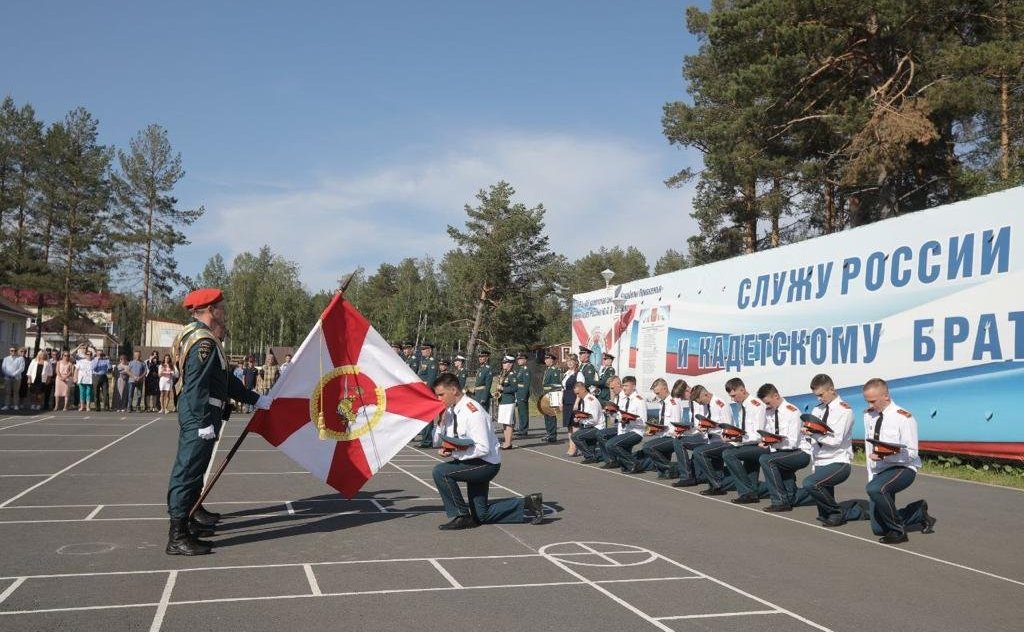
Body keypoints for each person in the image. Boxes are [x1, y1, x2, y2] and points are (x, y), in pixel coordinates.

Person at [165, 288, 270, 556]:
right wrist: (202, 422)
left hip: (203, 412)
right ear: (210, 310)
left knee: (195, 468)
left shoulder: (199, 336)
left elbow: (224, 381)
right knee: (187, 471)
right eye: (221, 307)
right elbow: (197, 386)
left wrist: (254, 398)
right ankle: (177, 534)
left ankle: (190, 516)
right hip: (200, 413)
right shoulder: (204, 342)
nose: (224, 311)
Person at [430, 373, 544, 530]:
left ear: (454, 390)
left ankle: (462, 515)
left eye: (441, 395)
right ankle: (529, 502)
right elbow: (437, 441)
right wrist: (440, 423)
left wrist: (455, 451)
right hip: (470, 462)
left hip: (485, 464)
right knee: (481, 515)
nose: (439, 399)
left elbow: (483, 448)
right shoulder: (449, 412)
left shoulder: (473, 412)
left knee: (441, 471)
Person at [857, 378, 936, 544]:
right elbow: (869, 447)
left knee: (875, 489)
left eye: (873, 401)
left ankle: (898, 532)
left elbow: (912, 454)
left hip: (903, 467)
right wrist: (872, 472)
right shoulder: (868, 416)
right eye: (867, 401)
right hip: (880, 471)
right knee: (878, 529)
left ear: (886, 396)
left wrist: (886, 456)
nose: (870, 405)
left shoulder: (904, 418)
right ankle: (917, 512)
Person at [790, 374, 857, 524]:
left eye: (821, 395)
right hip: (820, 460)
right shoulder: (817, 410)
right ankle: (853, 512)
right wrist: (807, 434)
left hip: (838, 460)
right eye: (816, 396)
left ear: (831, 389)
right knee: (824, 514)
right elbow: (811, 431)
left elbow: (836, 441)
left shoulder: (844, 411)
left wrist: (814, 435)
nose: (819, 399)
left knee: (810, 484)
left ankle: (838, 512)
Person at [755, 383, 809, 512]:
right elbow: (768, 432)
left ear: (776, 396)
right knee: (791, 497)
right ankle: (808, 494)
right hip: (781, 452)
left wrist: (772, 443)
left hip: (799, 452)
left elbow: (793, 443)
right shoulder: (769, 412)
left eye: (768, 403)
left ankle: (779, 501)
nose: (766, 406)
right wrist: (766, 441)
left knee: (766, 460)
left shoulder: (793, 412)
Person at [721, 377, 770, 504]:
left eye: (734, 395)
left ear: (742, 390)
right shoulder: (741, 405)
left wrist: (739, 438)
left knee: (728, 454)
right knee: (748, 470)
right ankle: (753, 491)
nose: (732, 399)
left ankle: (747, 492)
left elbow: (760, 435)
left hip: (762, 446)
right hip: (750, 444)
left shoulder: (756, 405)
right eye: (730, 396)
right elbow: (744, 431)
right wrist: (732, 437)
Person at [691, 383, 737, 495]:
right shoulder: (707, 405)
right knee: (715, 466)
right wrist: (704, 427)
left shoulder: (721, 405)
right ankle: (715, 485)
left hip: (724, 441)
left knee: (699, 452)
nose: (700, 404)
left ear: (706, 394)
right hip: (712, 440)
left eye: (700, 401)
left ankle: (717, 485)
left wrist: (711, 428)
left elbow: (728, 429)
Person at [644, 379, 689, 478]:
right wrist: (654, 431)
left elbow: (676, 426)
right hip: (664, 436)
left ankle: (673, 468)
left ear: (665, 389)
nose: (657, 395)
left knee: (648, 447)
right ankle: (668, 470)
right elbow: (664, 424)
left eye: (658, 393)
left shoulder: (673, 403)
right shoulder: (663, 403)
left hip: (673, 438)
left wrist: (664, 432)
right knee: (662, 474)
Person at [672, 384, 709, 487]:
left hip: (705, 435)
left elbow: (704, 422)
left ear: (688, 390)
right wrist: (683, 430)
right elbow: (693, 423)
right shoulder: (690, 401)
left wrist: (694, 428)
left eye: (683, 394)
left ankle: (686, 477)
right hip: (696, 434)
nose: (682, 398)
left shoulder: (700, 400)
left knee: (679, 441)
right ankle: (690, 475)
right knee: (678, 438)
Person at [569, 380, 604, 461]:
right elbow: (584, 414)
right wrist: (579, 418)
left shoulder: (591, 400)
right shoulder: (584, 400)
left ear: (583, 389)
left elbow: (593, 420)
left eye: (578, 393)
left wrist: (581, 420)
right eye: (576, 394)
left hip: (596, 427)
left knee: (575, 436)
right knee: (589, 445)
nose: (577, 396)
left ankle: (590, 456)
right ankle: (592, 455)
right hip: (589, 426)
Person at [414, 343, 439, 447]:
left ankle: (427, 441)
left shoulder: (432, 362)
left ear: (430, 350)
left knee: (428, 416)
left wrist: (426, 392)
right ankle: (424, 439)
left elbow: (431, 379)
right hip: (421, 391)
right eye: (422, 349)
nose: (422, 351)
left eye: (424, 349)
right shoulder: (423, 361)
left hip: (426, 392)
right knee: (423, 416)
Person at [560, 356, 581, 455]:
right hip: (566, 401)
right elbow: (563, 389)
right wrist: (561, 402)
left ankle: (575, 448)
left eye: (572, 361)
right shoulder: (566, 374)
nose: (570, 363)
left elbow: (580, 389)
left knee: (575, 425)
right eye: (568, 361)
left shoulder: (579, 374)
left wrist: (577, 402)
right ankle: (571, 446)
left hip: (574, 400)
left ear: (576, 362)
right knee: (568, 425)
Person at [540, 353, 562, 443]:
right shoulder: (548, 370)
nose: (546, 361)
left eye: (548, 359)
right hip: (546, 395)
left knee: (551, 416)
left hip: (553, 394)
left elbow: (557, 385)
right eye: (545, 359)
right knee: (546, 415)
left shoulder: (555, 370)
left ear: (552, 360)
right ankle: (549, 433)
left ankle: (552, 435)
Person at [496, 355, 517, 449]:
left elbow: (515, 388)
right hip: (503, 400)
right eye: (503, 362)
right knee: (504, 422)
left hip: (509, 400)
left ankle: (508, 442)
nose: (503, 364)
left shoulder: (512, 374)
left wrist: (503, 388)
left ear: (511, 364)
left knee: (508, 422)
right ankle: (506, 441)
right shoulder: (504, 373)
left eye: (506, 362)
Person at [512, 351, 531, 438]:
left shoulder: (526, 370)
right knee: (520, 412)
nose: (518, 360)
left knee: (523, 412)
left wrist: (524, 396)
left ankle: (524, 430)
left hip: (523, 393)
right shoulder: (520, 369)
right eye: (518, 359)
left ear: (525, 360)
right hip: (519, 392)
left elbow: (526, 385)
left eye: (521, 359)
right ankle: (521, 428)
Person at [2, 346, 26, 411]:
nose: (13, 352)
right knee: (7, 392)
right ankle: (6, 405)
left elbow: (21, 368)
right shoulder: (6, 359)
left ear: (16, 351)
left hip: (17, 378)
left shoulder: (20, 358)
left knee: (16, 392)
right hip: (7, 378)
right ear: (9, 351)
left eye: (14, 350)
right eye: (11, 351)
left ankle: (15, 405)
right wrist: (9, 375)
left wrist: (14, 374)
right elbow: (3, 368)